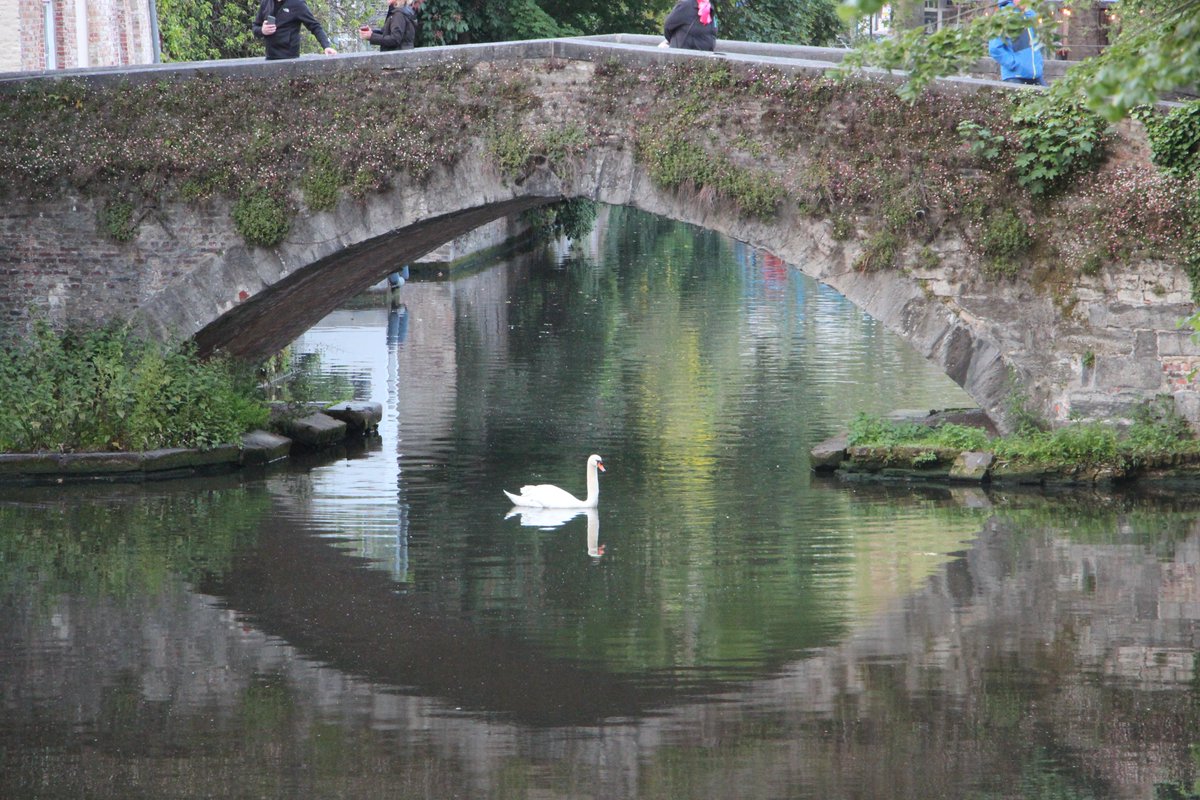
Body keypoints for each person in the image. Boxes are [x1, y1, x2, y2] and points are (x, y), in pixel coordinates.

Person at [254, 0, 338, 60]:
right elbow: (255, 27)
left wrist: (326, 46)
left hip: (290, 59)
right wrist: (262, 30)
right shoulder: (265, 2)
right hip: (270, 57)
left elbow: (314, 26)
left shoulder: (297, 3)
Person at [988, 0, 1045, 85]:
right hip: (1015, 76)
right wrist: (1014, 64)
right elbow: (994, 48)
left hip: (1036, 75)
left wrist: (1039, 63)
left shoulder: (1031, 14)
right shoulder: (1003, 16)